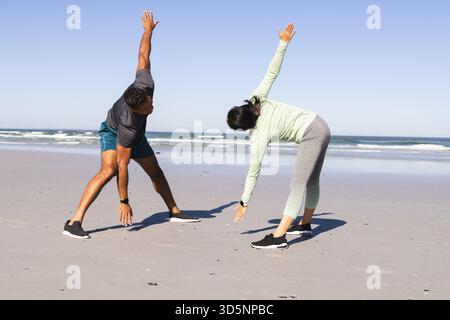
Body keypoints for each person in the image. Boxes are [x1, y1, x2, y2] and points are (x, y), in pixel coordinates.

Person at [63, 11, 199, 240]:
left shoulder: (144, 83)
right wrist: (124, 201)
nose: (151, 107)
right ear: (135, 111)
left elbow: (143, 53)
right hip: (113, 131)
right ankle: (74, 221)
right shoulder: (128, 124)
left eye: (149, 102)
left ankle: (174, 211)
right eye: (146, 108)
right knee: (109, 170)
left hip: (138, 137)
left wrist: (147, 31)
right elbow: (123, 167)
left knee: (156, 172)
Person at [227, 24, 331, 249]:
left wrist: (244, 202)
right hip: (320, 123)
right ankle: (304, 224)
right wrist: (283, 43)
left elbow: (253, 171)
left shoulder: (259, 134)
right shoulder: (257, 99)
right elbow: (271, 72)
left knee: (297, 184)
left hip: (311, 133)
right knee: (311, 180)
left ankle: (279, 235)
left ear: (244, 128)